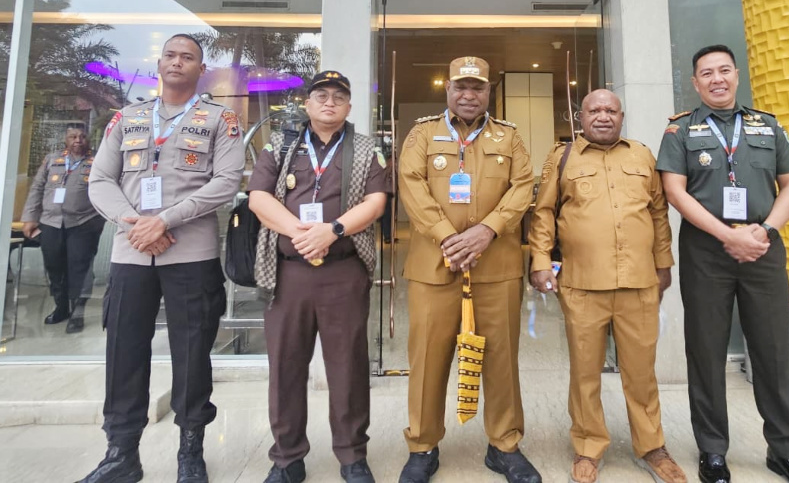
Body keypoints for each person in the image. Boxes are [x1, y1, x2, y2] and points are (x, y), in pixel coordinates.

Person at [78, 33, 244, 483]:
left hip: (190, 253)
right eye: (170, 55)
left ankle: (190, 452)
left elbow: (226, 182)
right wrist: (134, 223)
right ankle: (121, 453)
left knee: (192, 355)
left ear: (200, 69)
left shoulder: (220, 119)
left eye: (187, 57)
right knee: (124, 352)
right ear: (159, 63)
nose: (177, 62)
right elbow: (100, 181)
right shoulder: (127, 118)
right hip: (131, 252)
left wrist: (165, 220)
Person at [656, 44, 789, 483]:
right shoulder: (680, 131)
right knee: (706, 351)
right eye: (707, 73)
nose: (717, 79)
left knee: (773, 352)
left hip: (763, 250)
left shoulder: (767, 125)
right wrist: (728, 235)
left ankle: (786, 451)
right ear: (695, 82)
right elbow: (675, 191)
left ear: (736, 75)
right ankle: (713, 450)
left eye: (724, 70)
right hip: (706, 252)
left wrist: (763, 231)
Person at [528, 89, 686, 483]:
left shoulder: (642, 155)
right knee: (585, 372)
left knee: (641, 372)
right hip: (582, 284)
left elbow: (658, 213)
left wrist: (664, 264)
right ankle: (587, 446)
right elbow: (544, 213)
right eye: (594, 110)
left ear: (621, 116)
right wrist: (540, 261)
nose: (603, 116)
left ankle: (651, 447)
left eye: (610, 110)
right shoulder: (561, 158)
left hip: (639, 282)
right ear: (580, 117)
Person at [397, 56, 540, 483]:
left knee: (501, 359)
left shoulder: (509, 137)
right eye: (461, 86)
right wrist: (448, 237)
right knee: (428, 359)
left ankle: (504, 445)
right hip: (434, 266)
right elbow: (411, 186)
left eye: (477, 87)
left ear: (488, 91)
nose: (468, 94)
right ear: (447, 89)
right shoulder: (423, 134)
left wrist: (487, 230)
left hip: (496, 265)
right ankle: (422, 445)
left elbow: (523, 187)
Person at [247, 70, 389, 483]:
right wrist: (302, 235)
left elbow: (376, 202)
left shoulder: (367, 148)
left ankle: (352, 456)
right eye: (321, 96)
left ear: (349, 106)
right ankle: (287, 458)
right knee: (286, 367)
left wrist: (333, 231)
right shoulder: (281, 143)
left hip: (343, 272)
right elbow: (258, 197)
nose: (329, 103)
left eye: (338, 97)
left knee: (348, 368)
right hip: (288, 275)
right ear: (307, 103)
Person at [21, 126, 104, 334]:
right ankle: (61, 307)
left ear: (88, 139)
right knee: (54, 266)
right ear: (65, 139)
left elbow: (106, 191)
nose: (78, 140)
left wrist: (99, 220)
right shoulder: (52, 159)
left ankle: (77, 311)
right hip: (51, 221)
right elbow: (37, 188)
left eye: (82, 136)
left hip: (83, 223)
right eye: (73, 136)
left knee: (80, 268)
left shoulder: (98, 161)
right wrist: (30, 218)